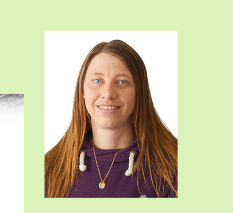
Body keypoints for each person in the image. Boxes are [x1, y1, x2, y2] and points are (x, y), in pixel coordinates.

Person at [44, 40, 177, 198]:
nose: (108, 93)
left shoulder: (173, 168)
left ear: (139, 92)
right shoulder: (49, 168)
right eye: (97, 81)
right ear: (82, 91)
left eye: (122, 82)